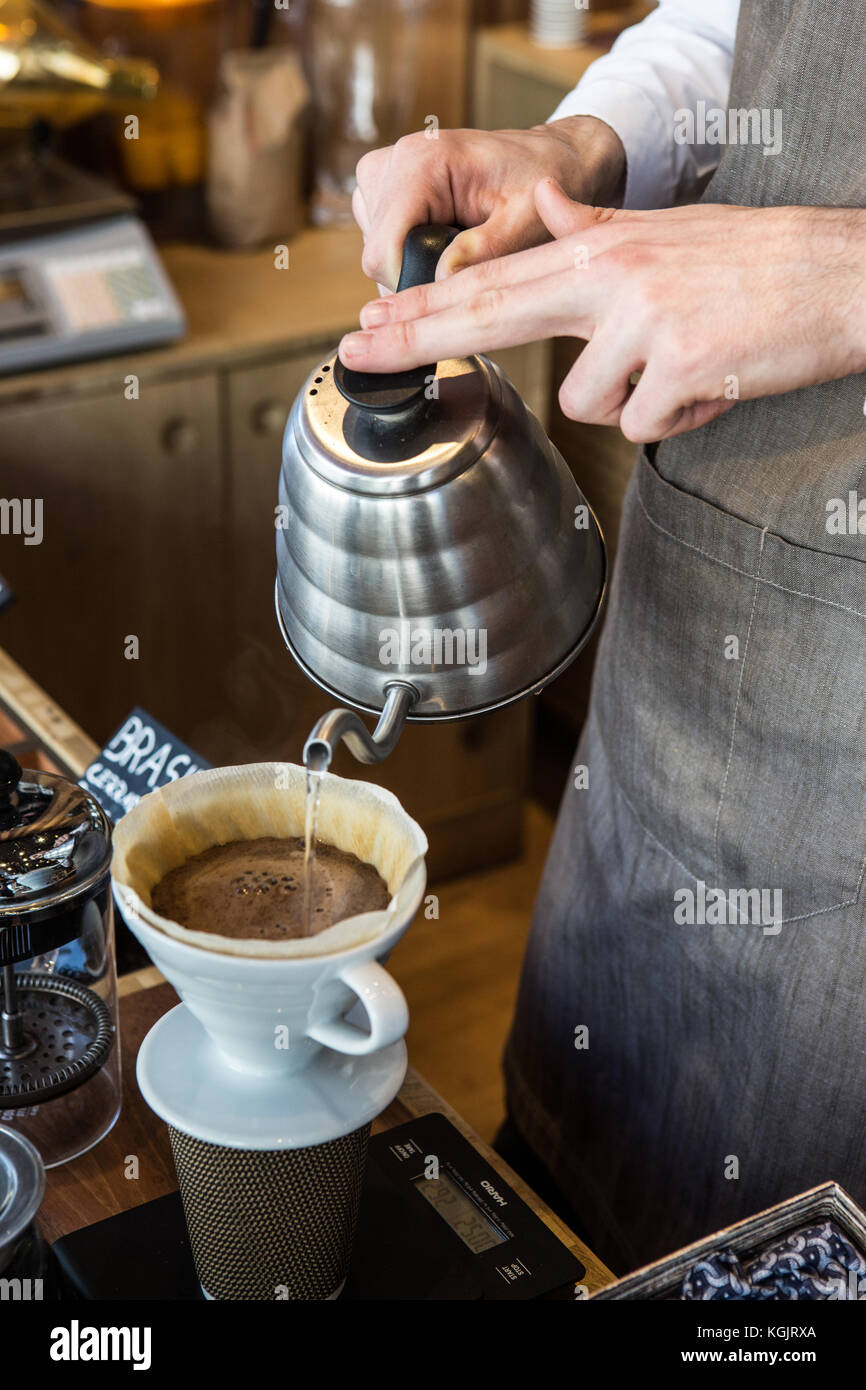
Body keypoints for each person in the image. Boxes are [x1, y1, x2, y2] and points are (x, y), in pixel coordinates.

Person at [342, 0, 866, 1274]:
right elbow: (749, 24)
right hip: (720, 589)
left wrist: (844, 271)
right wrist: (587, 143)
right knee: (579, 1184)